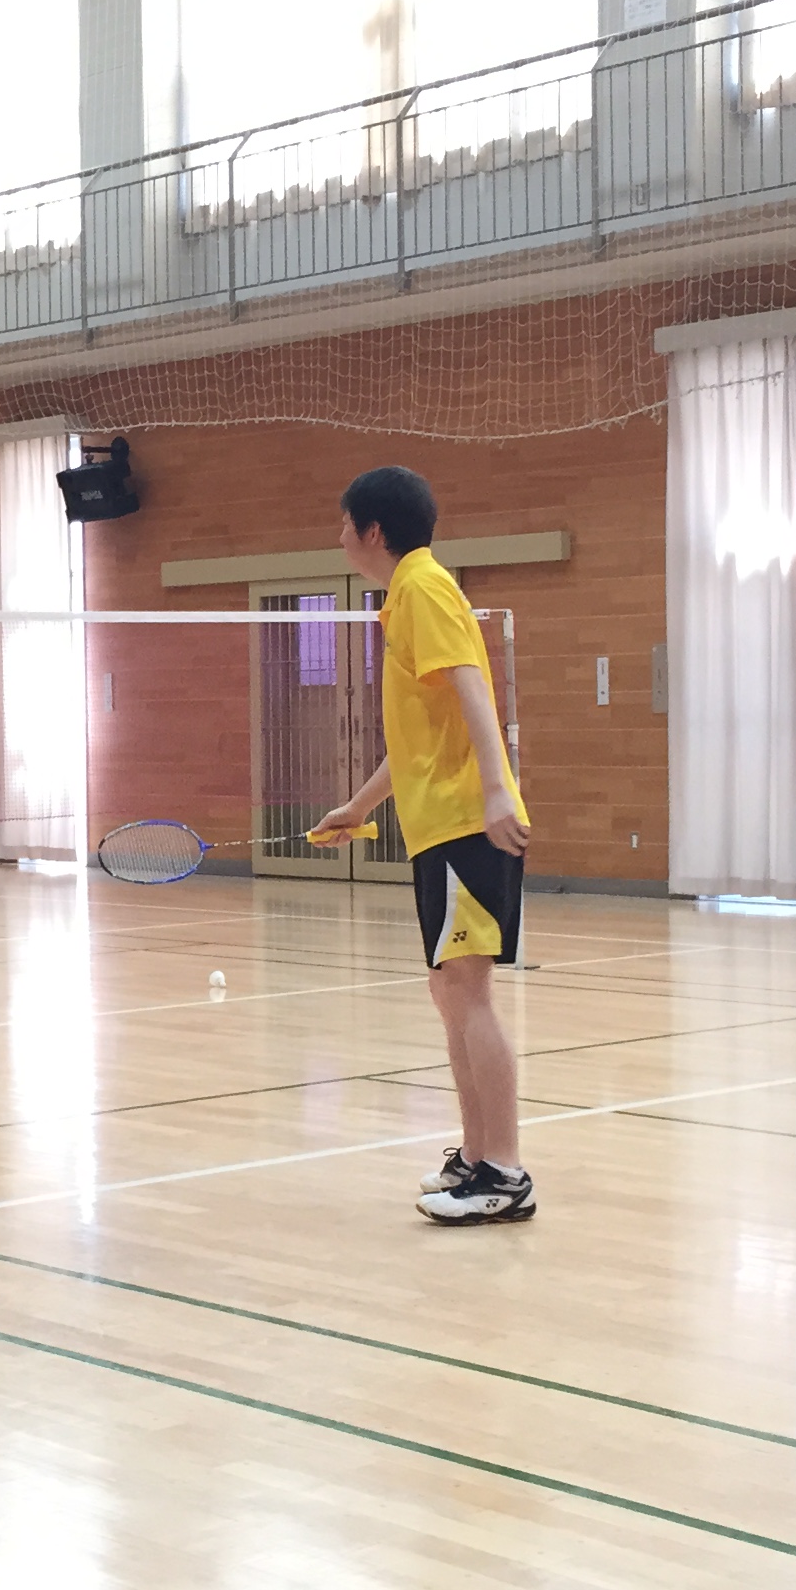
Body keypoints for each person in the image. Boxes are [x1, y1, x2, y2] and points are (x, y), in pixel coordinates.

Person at [311, 466, 536, 1225]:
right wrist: (357, 806)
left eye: (344, 524)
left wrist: (499, 787)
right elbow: (420, 739)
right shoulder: (404, 597)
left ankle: (503, 1169)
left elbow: (473, 681)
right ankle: (476, 1158)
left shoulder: (423, 588)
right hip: (438, 822)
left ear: (374, 531)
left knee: (467, 992)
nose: (338, 536)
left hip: (468, 821)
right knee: (449, 993)